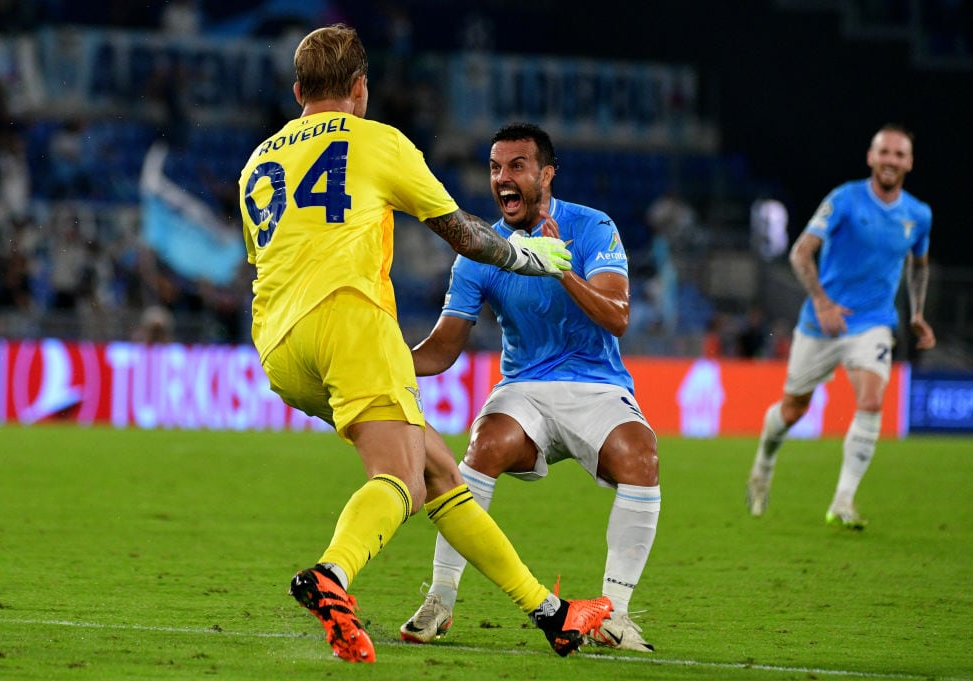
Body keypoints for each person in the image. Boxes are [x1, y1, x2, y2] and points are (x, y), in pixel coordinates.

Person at [238, 25, 611, 664]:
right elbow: (463, 234)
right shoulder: (377, 140)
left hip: (277, 344)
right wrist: (526, 256)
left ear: (299, 90)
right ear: (360, 87)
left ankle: (552, 614)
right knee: (402, 477)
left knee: (439, 472)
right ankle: (332, 575)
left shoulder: (257, 162)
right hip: (350, 320)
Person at [399, 122, 661, 652]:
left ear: (546, 174)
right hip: (525, 388)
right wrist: (388, 365)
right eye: (495, 168)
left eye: (516, 166)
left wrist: (558, 267)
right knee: (484, 445)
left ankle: (616, 616)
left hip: (597, 388)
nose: (502, 178)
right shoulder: (483, 250)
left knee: (642, 458)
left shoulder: (592, 228)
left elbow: (618, 317)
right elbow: (445, 347)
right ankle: (440, 600)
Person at [746, 123, 935, 529]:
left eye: (899, 154)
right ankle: (763, 464)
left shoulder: (918, 215)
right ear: (871, 156)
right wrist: (823, 302)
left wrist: (917, 313)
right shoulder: (845, 199)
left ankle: (843, 501)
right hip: (822, 323)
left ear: (910, 162)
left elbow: (918, 267)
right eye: (884, 152)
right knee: (794, 408)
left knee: (870, 401)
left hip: (874, 323)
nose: (891, 160)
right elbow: (800, 252)